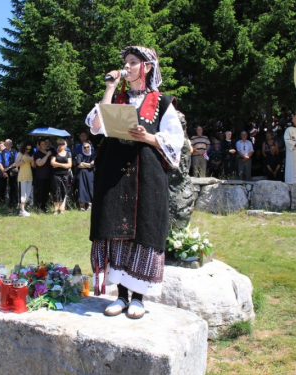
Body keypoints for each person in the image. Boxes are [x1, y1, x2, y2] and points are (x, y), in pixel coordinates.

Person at [85, 46, 184, 319]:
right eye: (124, 63)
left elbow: (176, 141)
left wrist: (149, 137)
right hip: (115, 173)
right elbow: (95, 126)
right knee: (115, 226)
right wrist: (109, 87)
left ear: (147, 67)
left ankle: (138, 297)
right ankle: (121, 295)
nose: (126, 67)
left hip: (146, 174)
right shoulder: (116, 98)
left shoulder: (162, 102)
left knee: (143, 227)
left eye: (132, 62)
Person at [0, 139, 18, 208]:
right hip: (2, 170)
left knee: (13, 187)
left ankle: (13, 204)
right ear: (5, 145)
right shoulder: (1, 153)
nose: (8, 145)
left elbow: (16, 162)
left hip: (12, 170)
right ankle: (0, 203)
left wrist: (9, 168)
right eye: (6, 144)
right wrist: (3, 171)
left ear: (12, 144)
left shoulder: (15, 152)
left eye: (9, 143)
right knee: (0, 187)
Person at [50, 138, 72, 215]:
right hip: (56, 175)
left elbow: (69, 165)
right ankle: (55, 209)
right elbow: (52, 163)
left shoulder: (68, 153)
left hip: (65, 175)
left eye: (62, 144)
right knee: (56, 191)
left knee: (63, 190)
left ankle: (61, 208)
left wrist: (58, 165)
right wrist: (64, 165)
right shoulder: (54, 153)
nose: (60, 146)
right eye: (59, 144)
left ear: (65, 145)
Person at [14, 141, 35, 217]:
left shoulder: (30, 154)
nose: (28, 150)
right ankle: (21, 210)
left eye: (29, 149)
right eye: (26, 149)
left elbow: (33, 166)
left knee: (28, 193)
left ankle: (23, 209)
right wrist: (25, 160)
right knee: (23, 193)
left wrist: (32, 160)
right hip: (22, 176)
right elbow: (16, 164)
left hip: (29, 175)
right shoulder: (20, 154)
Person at [33, 138, 53, 212]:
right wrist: (47, 156)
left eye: (45, 144)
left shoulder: (50, 152)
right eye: (42, 144)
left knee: (46, 192)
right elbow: (39, 163)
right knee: (40, 192)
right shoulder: (37, 154)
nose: (44, 145)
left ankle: (44, 207)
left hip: (49, 176)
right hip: (40, 176)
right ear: (39, 145)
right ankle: (38, 207)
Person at [76, 142, 95, 211]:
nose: (86, 148)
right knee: (82, 188)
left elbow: (92, 165)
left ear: (90, 147)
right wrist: (88, 164)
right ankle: (82, 205)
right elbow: (78, 164)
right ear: (82, 148)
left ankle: (90, 204)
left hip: (90, 174)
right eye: (84, 147)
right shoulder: (80, 155)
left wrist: (83, 163)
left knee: (90, 188)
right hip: (81, 174)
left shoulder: (93, 155)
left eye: (88, 147)